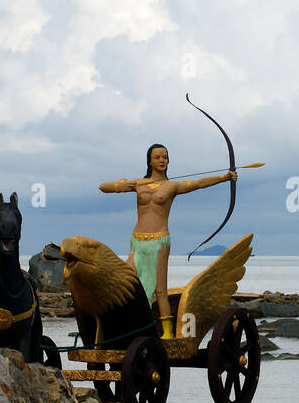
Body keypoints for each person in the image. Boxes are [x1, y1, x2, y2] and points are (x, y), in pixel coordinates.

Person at [99, 143, 236, 338]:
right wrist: (120, 186)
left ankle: (167, 333)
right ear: (150, 161)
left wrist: (224, 177)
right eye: (157, 157)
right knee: (126, 283)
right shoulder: (138, 183)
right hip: (137, 241)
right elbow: (103, 187)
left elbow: (199, 183)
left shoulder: (172, 186)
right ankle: (130, 326)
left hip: (159, 240)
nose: (162, 160)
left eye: (165, 157)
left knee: (160, 289)